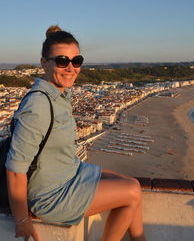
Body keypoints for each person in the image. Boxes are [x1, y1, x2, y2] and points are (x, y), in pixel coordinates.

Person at [6, 26, 146, 241]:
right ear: (44, 63)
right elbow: (15, 170)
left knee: (132, 184)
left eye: (76, 61)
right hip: (50, 194)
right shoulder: (38, 105)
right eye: (62, 61)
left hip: (69, 173)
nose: (71, 68)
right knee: (131, 191)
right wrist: (22, 221)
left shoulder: (60, 95)